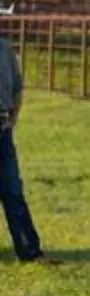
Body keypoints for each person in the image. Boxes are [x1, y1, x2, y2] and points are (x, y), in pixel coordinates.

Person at [0, 33, 43, 263]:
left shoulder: (5, 50)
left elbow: (17, 88)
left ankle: (29, 250)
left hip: (3, 130)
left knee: (12, 190)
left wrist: (13, 119)